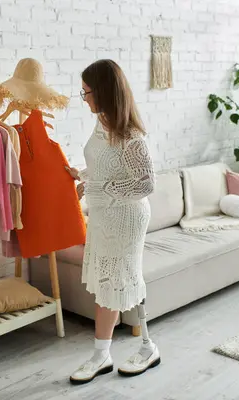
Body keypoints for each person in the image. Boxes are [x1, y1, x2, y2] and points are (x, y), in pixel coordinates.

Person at [66, 60, 160, 384]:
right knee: (112, 283)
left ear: (103, 92)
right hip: (104, 214)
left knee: (113, 284)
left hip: (126, 218)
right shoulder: (101, 125)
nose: (84, 98)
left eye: (86, 92)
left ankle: (112, 353)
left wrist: (100, 188)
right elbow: (105, 164)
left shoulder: (131, 136)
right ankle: (120, 351)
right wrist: (84, 175)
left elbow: (147, 183)